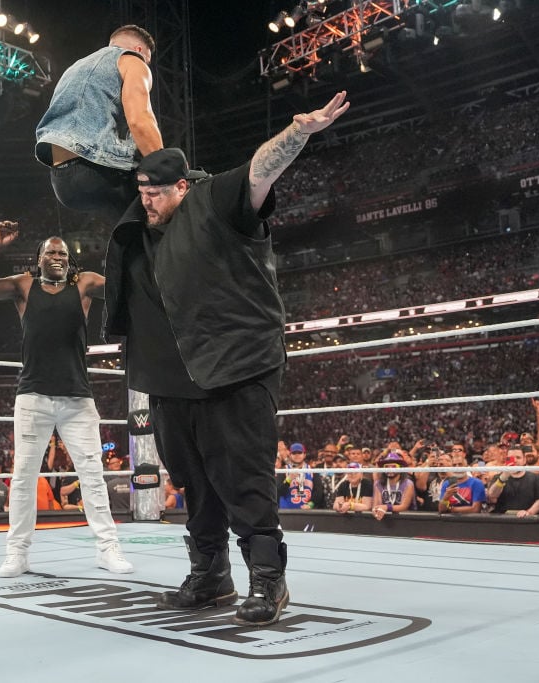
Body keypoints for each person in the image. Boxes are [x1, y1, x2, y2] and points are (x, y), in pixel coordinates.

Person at [101, 91, 349, 626]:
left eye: (158, 193)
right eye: (142, 192)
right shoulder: (137, 232)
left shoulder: (214, 203)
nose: (147, 201)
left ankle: (268, 581)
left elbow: (260, 172)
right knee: (195, 485)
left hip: (235, 368)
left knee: (244, 480)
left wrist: (299, 132)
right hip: (169, 381)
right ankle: (211, 575)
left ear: (183, 187)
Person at [0, 221, 134, 578]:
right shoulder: (24, 285)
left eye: (62, 253)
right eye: (50, 252)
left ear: (69, 260)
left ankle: (108, 548)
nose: (57, 256)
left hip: (77, 398)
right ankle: (17, 553)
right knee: (24, 478)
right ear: (38, 258)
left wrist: (133, 249)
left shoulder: (84, 283)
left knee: (92, 473)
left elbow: (126, 286)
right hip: (33, 396)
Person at [35, 25, 162, 220]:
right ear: (138, 50)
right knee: (165, 205)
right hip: (95, 167)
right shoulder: (133, 61)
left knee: (127, 230)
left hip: (61, 181)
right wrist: (166, 167)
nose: (146, 64)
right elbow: (140, 120)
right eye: (146, 59)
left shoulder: (74, 68)